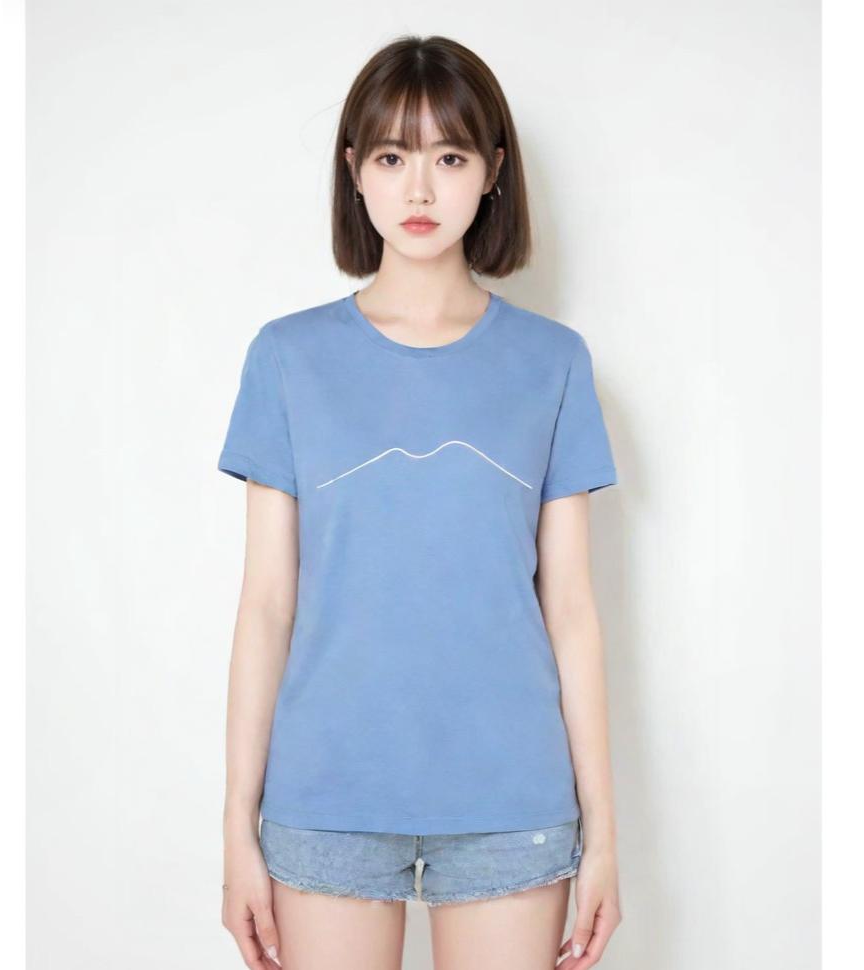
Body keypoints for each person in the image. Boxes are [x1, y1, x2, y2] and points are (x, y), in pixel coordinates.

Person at [218, 34, 622, 970]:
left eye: (450, 157)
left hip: (511, 801)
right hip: (326, 795)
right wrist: (236, 826)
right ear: (354, 171)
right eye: (393, 158)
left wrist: (603, 836)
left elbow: (571, 609)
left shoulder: (554, 363)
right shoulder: (287, 358)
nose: (421, 189)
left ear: (494, 171)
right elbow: (266, 605)